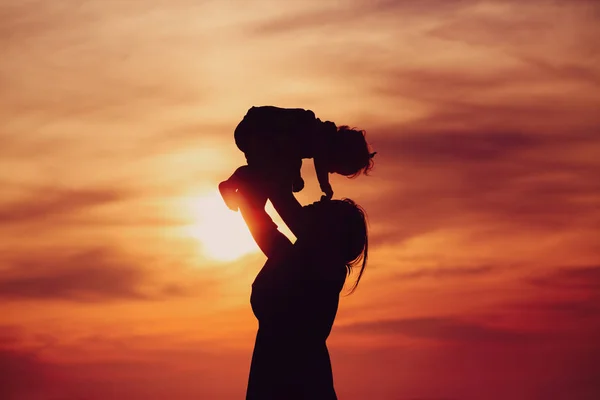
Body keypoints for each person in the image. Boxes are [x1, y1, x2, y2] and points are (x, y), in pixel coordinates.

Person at [235, 177, 369, 399]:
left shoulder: (324, 270)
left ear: (329, 232)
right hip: (282, 380)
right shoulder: (294, 258)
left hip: (295, 384)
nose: (320, 201)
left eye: (326, 209)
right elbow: (262, 221)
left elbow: (280, 207)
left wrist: (271, 176)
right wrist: (250, 188)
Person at [219, 105, 376, 212]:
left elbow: (292, 154)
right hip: (255, 130)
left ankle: (253, 204)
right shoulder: (319, 134)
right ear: (340, 152)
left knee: (267, 175)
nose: (331, 170)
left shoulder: (312, 137)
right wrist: (325, 185)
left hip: (262, 136)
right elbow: (317, 157)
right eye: (336, 168)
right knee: (263, 170)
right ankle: (229, 185)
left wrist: (296, 176)